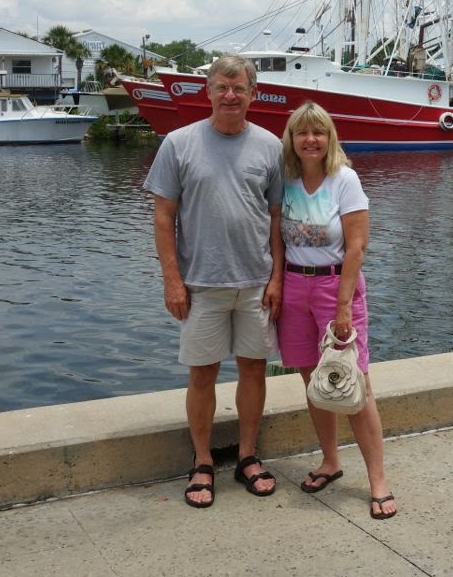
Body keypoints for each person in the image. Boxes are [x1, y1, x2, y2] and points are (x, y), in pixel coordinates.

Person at [143, 54, 284, 508]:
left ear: (252, 94)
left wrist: (277, 278)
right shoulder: (178, 144)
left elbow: (278, 219)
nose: (230, 95)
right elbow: (163, 218)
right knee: (201, 374)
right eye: (222, 86)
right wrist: (172, 281)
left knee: (253, 369)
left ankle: (247, 456)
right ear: (208, 90)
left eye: (239, 88)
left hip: (255, 283)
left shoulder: (270, 146)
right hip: (201, 284)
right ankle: (202, 462)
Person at [277, 101, 397, 519]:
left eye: (319, 132)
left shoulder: (344, 180)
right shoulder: (286, 181)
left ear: (329, 138)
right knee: (314, 381)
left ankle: (378, 480)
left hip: (334, 287)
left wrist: (344, 306)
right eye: (302, 132)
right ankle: (330, 461)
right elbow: (276, 238)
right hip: (293, 285)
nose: (311, 139)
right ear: (291, 139)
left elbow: (357, 246)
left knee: (355, 386)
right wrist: (277, 284)